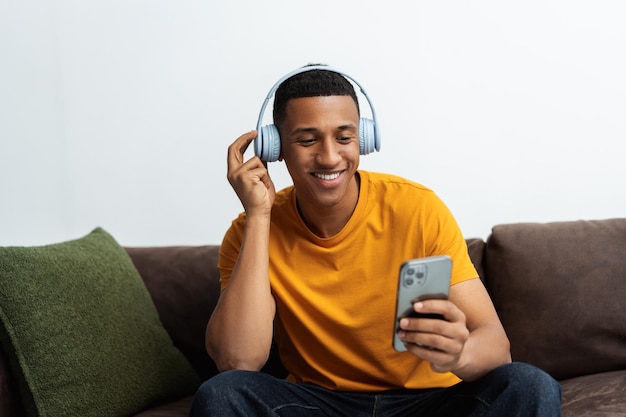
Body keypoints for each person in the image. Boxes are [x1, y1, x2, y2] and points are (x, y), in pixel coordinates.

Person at [190, 65, 561, 416]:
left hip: (428, 402)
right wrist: (258, 216)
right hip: (322, 404)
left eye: (344, 137)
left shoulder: (417, 208)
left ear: (364, 140)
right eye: (307, 140)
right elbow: (238, 362)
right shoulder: (249, 229)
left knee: (529, 385)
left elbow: (497, 344)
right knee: (222, 393)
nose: (330, 156)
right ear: (275, 147)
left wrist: (458, 355)